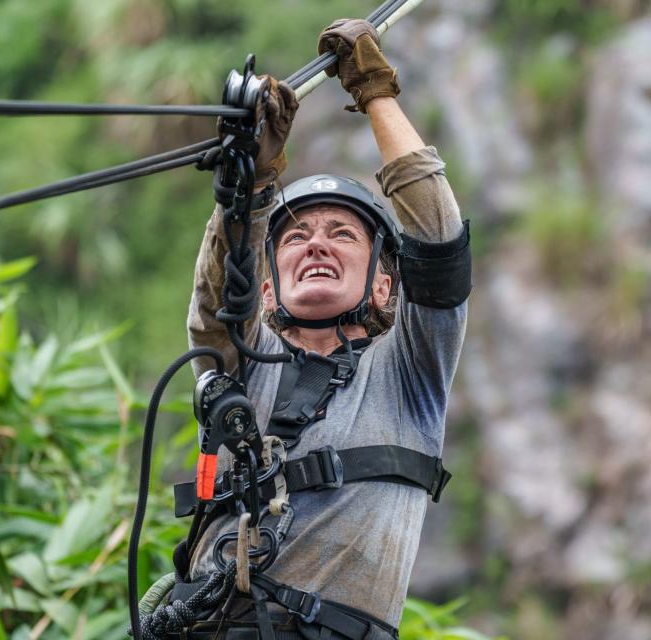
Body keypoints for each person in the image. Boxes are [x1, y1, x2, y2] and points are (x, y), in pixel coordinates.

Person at [185, 18, 471, 638]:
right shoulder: (241, 361)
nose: (317, 245)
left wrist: (375, 91)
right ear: (269, 287)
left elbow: (439, 241)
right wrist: (250, 184)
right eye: (295, 237)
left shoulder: (411, 370)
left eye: (342, 234)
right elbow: (217, 306)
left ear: (384, 285)